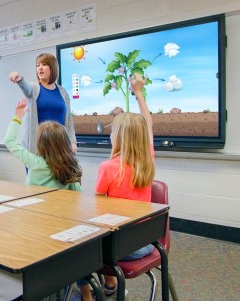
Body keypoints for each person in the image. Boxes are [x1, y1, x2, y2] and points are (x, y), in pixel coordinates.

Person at [81, 73, 155, 301]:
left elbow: (96, 208)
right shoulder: (147, 160)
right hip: (146, 242)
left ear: (119, 138)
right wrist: (139, 93)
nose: (110, 134)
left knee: (74, 251)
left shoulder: (108, 167)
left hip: (121, 247)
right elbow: (148, 125)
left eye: (113, 132)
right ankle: (111, 285)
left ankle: (89, 296)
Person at [4, 98, 82, 190]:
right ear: (65, 143)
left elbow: (9, 140)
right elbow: (78, 195)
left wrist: (17, 117)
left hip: (33, 204)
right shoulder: (69, 167)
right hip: (59, 204)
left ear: (41, 144)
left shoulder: (35, 163)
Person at [9, 53, 77, 156]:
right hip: (38, 150)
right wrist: (19, 79)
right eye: (37, 65)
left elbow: (69, 120)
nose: (40, 68)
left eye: (44, 64)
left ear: (53, 68)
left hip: (59, 148)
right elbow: (26, 88)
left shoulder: (63, 92)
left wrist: (72, 141)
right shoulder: (34, 88)